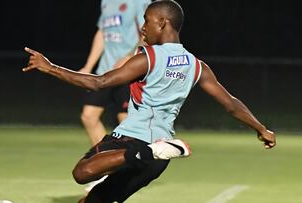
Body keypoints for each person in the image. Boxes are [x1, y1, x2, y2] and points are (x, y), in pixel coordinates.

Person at [23, 1, 276, 202]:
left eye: (147, 21)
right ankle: (147, 152)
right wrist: (261, 129)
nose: (143, 27)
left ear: (163, 22)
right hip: (159, 157)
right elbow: (230, 103)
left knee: (82, 172)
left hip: (133, 140)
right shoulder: (196, 65)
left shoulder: (149, 57)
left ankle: (143, 152)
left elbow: (99, 83)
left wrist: (51, 68)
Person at [79, 0, 151, 147]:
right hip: (105, 72)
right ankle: (104, 160)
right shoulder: (106, 2)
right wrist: (88, 66)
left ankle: (130, 165)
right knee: (89, 116)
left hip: (129, 73)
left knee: (126, 122)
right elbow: (102, 34)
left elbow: (149, 31)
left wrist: (129, 57)